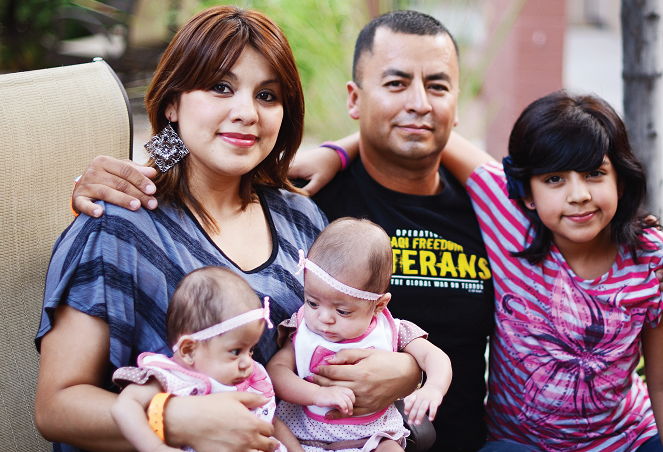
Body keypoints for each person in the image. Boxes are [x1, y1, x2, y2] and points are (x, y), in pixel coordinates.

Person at [68, 10, 663, 452]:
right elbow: (212, 151)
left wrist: (655, 247)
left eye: (438, 86)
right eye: (395, 83)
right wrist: (154, 158)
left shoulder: (495, 210)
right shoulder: (316, 202)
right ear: (353, 97)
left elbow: (575, 194)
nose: (418, 102)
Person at [35, 7, 418, 452]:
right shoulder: (119, 225)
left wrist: (406, 371)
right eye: (221, 87)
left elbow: (356, 329)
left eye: (268, 96)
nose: (247, 112)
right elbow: (55, 408)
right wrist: (174, 419)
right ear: (173, 102)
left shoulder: (303, 219)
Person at [439, 91, 663, 451]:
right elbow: (429, 128)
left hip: (626, 440)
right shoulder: (507, 215)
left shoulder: (652, 260)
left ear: (619, 180)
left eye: (594, 173)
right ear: (526, 191)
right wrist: (336, 154)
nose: (578, 195)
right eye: (554, 179)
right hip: (520, 444)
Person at [267, 218, 452, 452]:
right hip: (306, 434)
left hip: (374, 437)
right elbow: (276, 371)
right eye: (312, 302)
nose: (324, 318)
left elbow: (434, 357)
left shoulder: (392, 329)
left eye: (342, 311)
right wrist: (317, 394)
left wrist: (433, 387)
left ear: (378, 306)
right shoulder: (302, 326)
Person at [110, 267, 300, 452]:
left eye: (251, 350)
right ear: (189, 350)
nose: (248, 363)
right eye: (235, 351)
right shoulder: (168, 378)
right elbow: (125, 407)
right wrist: (156, 447)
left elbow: (272, 421)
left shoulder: (250, 380)